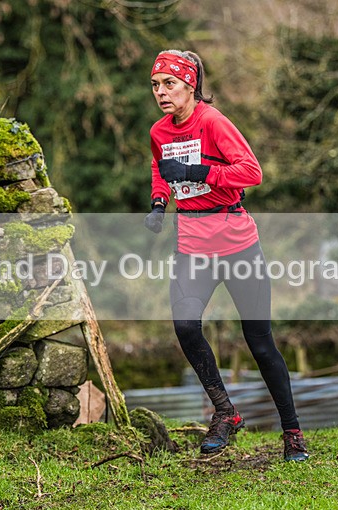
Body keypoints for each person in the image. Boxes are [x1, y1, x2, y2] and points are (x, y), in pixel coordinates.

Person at [143, 49, 309, 462]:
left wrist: (203, 172)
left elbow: (252, 172)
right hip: (192, 245)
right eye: (155, 85)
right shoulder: (159, 131)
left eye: (170, 84)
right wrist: (159, 202)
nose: (161, 93)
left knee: (260, 343)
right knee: (185, 326)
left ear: (191, 86)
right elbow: (159, 166)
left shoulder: (213, 122)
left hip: (237, 244)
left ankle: (292, 434)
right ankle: (225, 411)